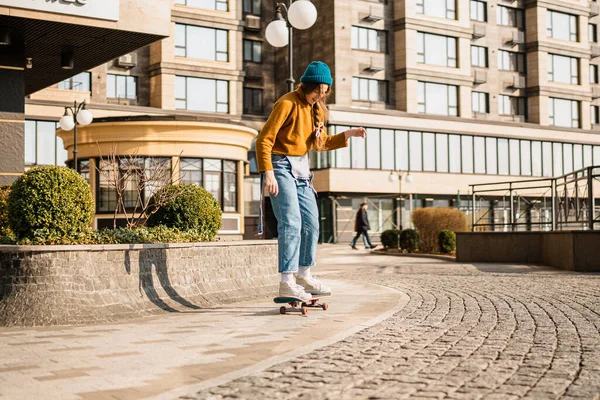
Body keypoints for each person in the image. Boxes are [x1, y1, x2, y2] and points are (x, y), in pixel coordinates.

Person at [256, 61, 367, 301]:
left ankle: (304, 274)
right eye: (318, 91)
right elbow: (263, 140)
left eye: (324, 93)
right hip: (280, 165)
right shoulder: (287, 103)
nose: (320, 96)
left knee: (311, 223)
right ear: (307, 85)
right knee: (291, 222)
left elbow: (320, 143)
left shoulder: (316, 110)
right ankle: (287, 280)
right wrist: (268, 173)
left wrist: (348, 134)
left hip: (302, 170)